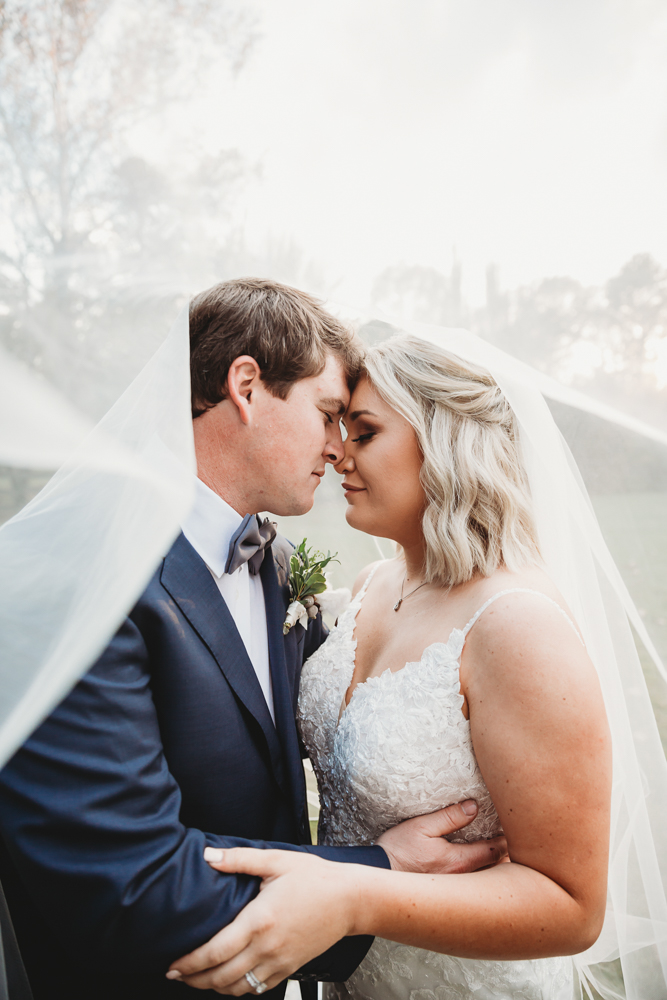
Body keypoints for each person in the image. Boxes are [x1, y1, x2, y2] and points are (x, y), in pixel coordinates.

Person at [0, 284, 505, 1000]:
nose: (337, 450)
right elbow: (132, 887)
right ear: (245, 386)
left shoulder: (270, 563)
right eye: (329, 414)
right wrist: (373, 873)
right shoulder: (76, 581)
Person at [165, 332, 622, 998]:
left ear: (443, 441)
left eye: (365, 432)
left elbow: (571, 907)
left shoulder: (517, 624)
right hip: (350, 977)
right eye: (339, 427)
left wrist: (356, 896)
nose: (337, 454)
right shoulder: (374, 587)